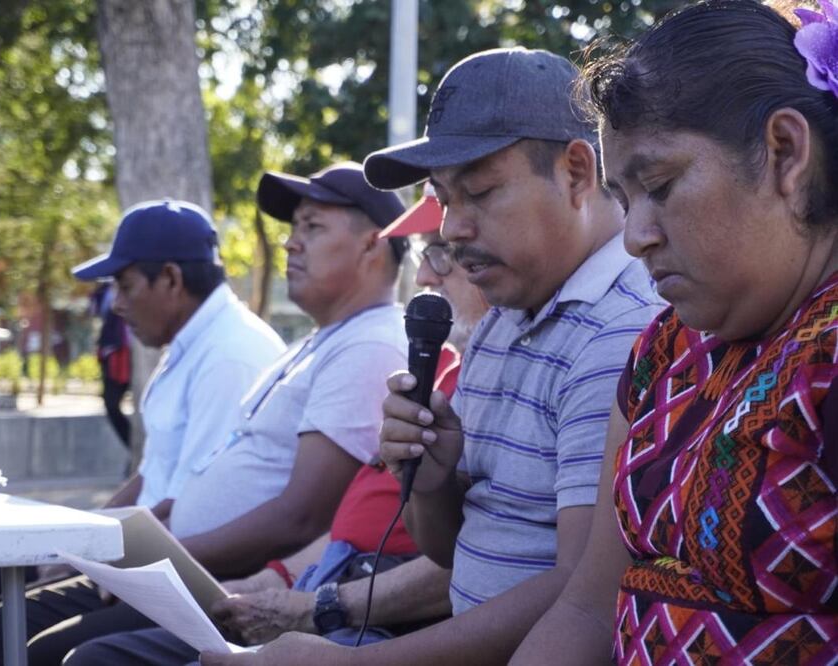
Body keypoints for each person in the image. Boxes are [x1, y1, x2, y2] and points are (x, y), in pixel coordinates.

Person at [201, 47, 663, 666]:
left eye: (479, 192)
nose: (451, 228)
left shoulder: (621, 331)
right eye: (445, 198)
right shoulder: (502, 320)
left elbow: (581, 595)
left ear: (577, 173)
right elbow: (449, 551)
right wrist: (432, 481)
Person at [510, 1, 838, 662]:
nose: (635, 237)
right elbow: (586, 607)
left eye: (659, 185)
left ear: (783, 152)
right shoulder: (664, 352)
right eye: (624, 201)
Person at [8, 161, 410, 666]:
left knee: (50, 644)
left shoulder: (369, 344)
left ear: (373, 244)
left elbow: (302, 517)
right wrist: (127, 538)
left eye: (312, 227)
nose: (290, 243)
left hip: (240, 584)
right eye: (293, 229)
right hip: (196, 566)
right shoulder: (321, 341)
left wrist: (160, 560)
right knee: (19, 611)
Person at [0, 199, 285, 664]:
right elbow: (150, 476)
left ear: (172, 280)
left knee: (20, 625)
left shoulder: (231, 356)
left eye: (125, 285)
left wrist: (94, 557)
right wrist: (78, 539)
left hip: (189, 573)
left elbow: (191, 506)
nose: (116, 304)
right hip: (152, 552)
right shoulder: (193, 342)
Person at [208, 186, 489, 649]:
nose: (421, 277)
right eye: (426, 253)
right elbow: (355, 523)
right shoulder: (440, 369)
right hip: (333, 585)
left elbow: (478, 559)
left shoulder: (392, 351)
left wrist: (319, 605)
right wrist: (274, 578)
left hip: (370, 616)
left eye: (443, 253)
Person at [90, 282, 131, 448]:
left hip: (131, 352)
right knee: (111, 404)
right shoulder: (102, 292)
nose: (118, 305)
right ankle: (134, 448)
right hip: (113, 352)